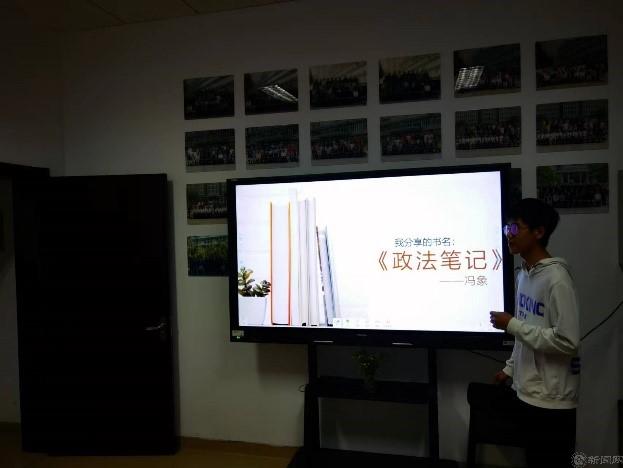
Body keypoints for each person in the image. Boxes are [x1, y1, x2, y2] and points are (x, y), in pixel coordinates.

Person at [490, 198, 580, 468]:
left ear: (539, 232)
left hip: (553, 401)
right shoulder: (524, 275)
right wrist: (510, 368)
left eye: (515, 228)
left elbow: (567, 341)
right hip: (527, 392)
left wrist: (511, 325)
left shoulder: (557, 279)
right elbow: (526, 330)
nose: (509, 235)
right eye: (507, 228)